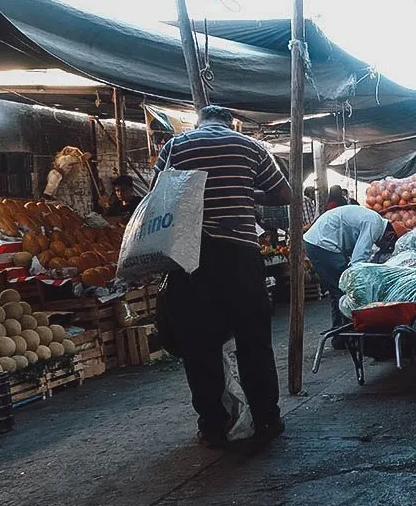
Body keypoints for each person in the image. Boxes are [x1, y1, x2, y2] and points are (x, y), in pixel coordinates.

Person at [155, 104, 293, 449]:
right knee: (253, 340)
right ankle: (266, 419)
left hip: (190, 257)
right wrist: (248, 193)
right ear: (232, 123)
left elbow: (159, 196)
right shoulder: (250, 147)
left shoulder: (176, 145)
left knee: (198, 345)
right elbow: (284, 195)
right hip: (238, 256)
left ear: (198, 122)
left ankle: (212, 425)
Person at [304, 204, 397, 332]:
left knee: (336, 289)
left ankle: (339, 332)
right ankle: (347, 332)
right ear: (390, 236)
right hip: (321, 243)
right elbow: (358, 259)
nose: (384, 248)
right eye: (389, 246)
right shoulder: (374, 224)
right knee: (346, 290)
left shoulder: (374, 221)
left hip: (318, 241)